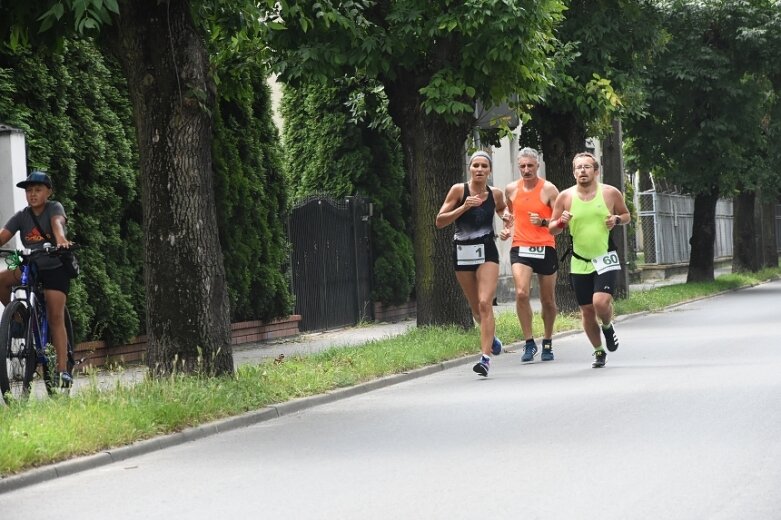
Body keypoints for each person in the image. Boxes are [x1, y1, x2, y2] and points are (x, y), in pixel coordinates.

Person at [548, 152, 629, 368]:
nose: (582, 171)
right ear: (573, 172)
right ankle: (598, 350)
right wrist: (561, 222)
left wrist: (617, 219)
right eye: (578, 168)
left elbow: (626, 215)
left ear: (596, 170)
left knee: (600, 302)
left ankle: (608, 326)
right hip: (579, 260)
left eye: (587, 167)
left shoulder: (610, 193)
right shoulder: (565, 197)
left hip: (605, 258)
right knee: (586, 310)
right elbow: (552, 229)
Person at [436, 150, 509, 377]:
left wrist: (506, 218)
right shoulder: (459, 190)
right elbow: (439, 221)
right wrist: (464, 207)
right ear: (470, 168)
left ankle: (485, 359)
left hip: (487, 249)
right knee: (476, 309)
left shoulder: (495, 193)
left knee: (486, 303)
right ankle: (492, 339)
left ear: (489, 171)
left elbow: (502, 208)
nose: (479, 170)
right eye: (475, 165)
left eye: (483, 166)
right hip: (463, 251)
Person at [0, 171, 75, 386]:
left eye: (38, 190)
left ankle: (62, 371)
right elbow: (4, 235)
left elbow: (57, 225)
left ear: (48, 192)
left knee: (55, 316)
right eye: (29, 191)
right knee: (1, 280)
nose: (32, 194)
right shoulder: (22, 215)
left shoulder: (54, 208)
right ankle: (19, 322)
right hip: (30, 265)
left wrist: (61, 240)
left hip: (54, 267)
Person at [499, 147, 559, 362]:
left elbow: (560, 223)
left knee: (548, 301)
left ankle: (548, 340)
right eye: (522, 166)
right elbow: (509, 213)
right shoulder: (511, 189)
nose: (526, 170)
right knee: (522, 293)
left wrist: (543, 222)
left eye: (530, 166)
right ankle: (529, 342)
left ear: (537, 166)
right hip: (520, 247)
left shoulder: (550, 190)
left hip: (545, 247)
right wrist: (507, 226)